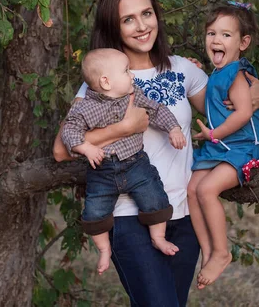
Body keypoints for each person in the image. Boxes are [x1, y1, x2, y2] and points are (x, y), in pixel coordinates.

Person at [53, 0, 259, 306]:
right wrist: (123, 128)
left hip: (182, 217)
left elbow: (230, 107)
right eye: (128, 19)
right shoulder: (103, 82)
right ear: (114, 26)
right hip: (129, 218)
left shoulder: (185, 70)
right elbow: (60, 151)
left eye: (147, 13)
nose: (142, 26)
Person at [60, 48, 187, 275]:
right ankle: (104, 249)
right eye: (126, 71)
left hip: (135, 163)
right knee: (94, 211)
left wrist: (174, 128)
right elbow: (69, 131)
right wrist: (85, 147)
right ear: (106, 82)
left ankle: (158, 237)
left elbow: (157, 109)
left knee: (154, 195)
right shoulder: (85, 106)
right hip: (102, 170)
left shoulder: (133, 94)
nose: (132, 75)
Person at [188, 2, 259, 289]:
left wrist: (212, 134)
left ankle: (222, 252)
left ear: (243, 43)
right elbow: (207, 107)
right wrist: (195, 75)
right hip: (221, 147)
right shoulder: (217, 75)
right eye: (211, 33)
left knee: (207, 189)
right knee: (192, 189)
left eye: (225, 35)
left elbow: (244, 112)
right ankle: (208, 251)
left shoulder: (237, 73)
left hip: (245, 147)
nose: (216, 40)